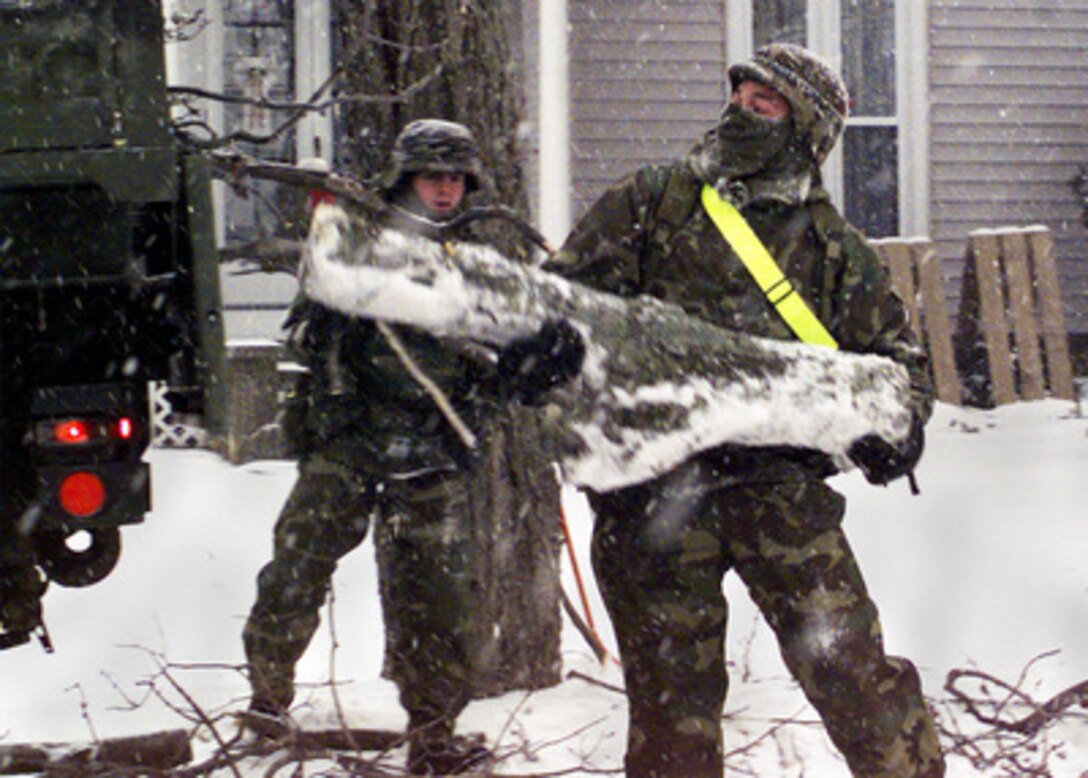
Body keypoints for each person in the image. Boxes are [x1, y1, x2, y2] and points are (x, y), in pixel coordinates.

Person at [545, 44, 945, 777]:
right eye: (740, 96)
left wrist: (900, 429)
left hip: (780, 495)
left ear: (806, 131)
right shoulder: (655, 200)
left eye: (767, 103)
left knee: (856, 680)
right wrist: (549, 354)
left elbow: (900, 367)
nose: (743, 110)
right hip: (654, 494)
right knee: (672, 716)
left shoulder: (832, 248)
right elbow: (561, 305)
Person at [242, 118, 581, 775]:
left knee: (441, 600)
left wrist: (526, 367)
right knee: (295, 568)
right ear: (406, 179)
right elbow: (309, 328)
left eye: (455, 178)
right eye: (433, 177)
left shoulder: (482, 256)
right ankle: (265, 702)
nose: (446, 190)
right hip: (351, 440)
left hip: (432, 449)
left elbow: (507, 354)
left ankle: (434, 732)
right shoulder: (357, 239)